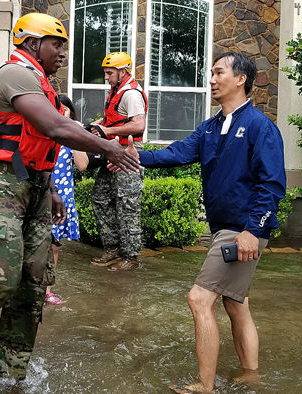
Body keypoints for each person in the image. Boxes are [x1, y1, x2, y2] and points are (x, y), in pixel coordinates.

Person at [0, 12, 140, 379]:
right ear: (32, 43)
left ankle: (10, 376)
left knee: (32, 287)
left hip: (35, 189)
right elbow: (53, 126)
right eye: (57, 44)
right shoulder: (15, 74)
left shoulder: (42, 83)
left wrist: (51, 188)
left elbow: (39, 145)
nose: (63, 53)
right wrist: (108, 148)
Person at [120, 52, 286, 393]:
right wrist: (136, 157)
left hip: (242, 230)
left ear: (240, 79)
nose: (211, 79)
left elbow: (272, 183)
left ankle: (204, 386)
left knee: (199, 299)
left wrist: (253, 231)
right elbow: (178, 153)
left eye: (218, 72)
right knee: (235, 302)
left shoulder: (259, 126)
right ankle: (251, 375)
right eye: (210, 73)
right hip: (225, 228)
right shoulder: (210, 127)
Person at [89, 52, 148, 271]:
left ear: (123, 72)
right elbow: (112, 118)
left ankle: (131, 258)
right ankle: (113, 247)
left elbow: (138, 125)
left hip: (129, 153)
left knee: (127, 204)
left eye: (109, 73)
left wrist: (107, 131)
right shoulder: (116, 91)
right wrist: (94, 126)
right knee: (100, 197)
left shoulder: (131, 94)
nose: (106, 77)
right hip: (114, 151)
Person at [45, 95, 85, 305]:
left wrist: (75, 136)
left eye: (65, 109)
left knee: (54, 245)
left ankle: (47, 290)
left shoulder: (70, 138)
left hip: (63, 197)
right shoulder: (44, 133)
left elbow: (82, 165)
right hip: (42, 195)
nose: (62, 111)